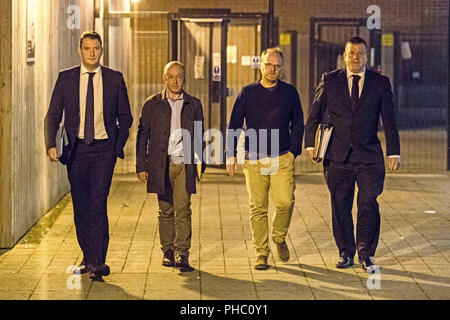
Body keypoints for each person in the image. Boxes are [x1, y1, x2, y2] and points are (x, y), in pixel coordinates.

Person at [305, 37, 401, 273]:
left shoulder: (380, 83)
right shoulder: (330, 81)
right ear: (344, 55)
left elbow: (389, 120)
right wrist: (310, 144)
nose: (355, 57)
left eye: (360, 53)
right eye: (351, 53)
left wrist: (394, 152)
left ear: (366, 56)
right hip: (337, 156)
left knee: (368, 203)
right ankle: (346, 252)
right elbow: (315, 113)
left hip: (369, 156)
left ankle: (366, 254)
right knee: (340, 206)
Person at [44, 31, 133, 282]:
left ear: (101, 50)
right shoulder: (67, 78)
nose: (91, 53)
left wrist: (117, 144)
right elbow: (53, 115)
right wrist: (51, 144)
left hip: (104, 150)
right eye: (87, 48)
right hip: (77, 150)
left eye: (95, 48)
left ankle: (98, 262)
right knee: (81, 206)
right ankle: (88, 255)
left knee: (97, 202)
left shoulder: (115, 79)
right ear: (80, 51)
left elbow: (125, 116)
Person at [226, 47, 304, 270]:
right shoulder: (247, 93)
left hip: (281, 157)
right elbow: (234, 125)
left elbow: (298, 122)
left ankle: (278, 237)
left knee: (285, 202)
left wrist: (293, 151)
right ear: (261, 65)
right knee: (258, 208)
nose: (273, 69)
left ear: (282, 68)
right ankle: (261, 253)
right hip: (254, 158)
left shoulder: (289, 93)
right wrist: (231, 154)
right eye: (269, 64)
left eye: (277, 66)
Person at [136, 61, 205, 272]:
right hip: (160, 163)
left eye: (180, 77)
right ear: (164, 78)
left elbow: (200, 134)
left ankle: (182, 252)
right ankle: (167, 251)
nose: (176, 81)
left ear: (184, 78)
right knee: (165, 209)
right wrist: (142, 165)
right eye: (171, 77)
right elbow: (143, 135)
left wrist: (201, 163)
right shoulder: (152, 104)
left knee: (183, 208)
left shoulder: (193, 104)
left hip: (183, 162)